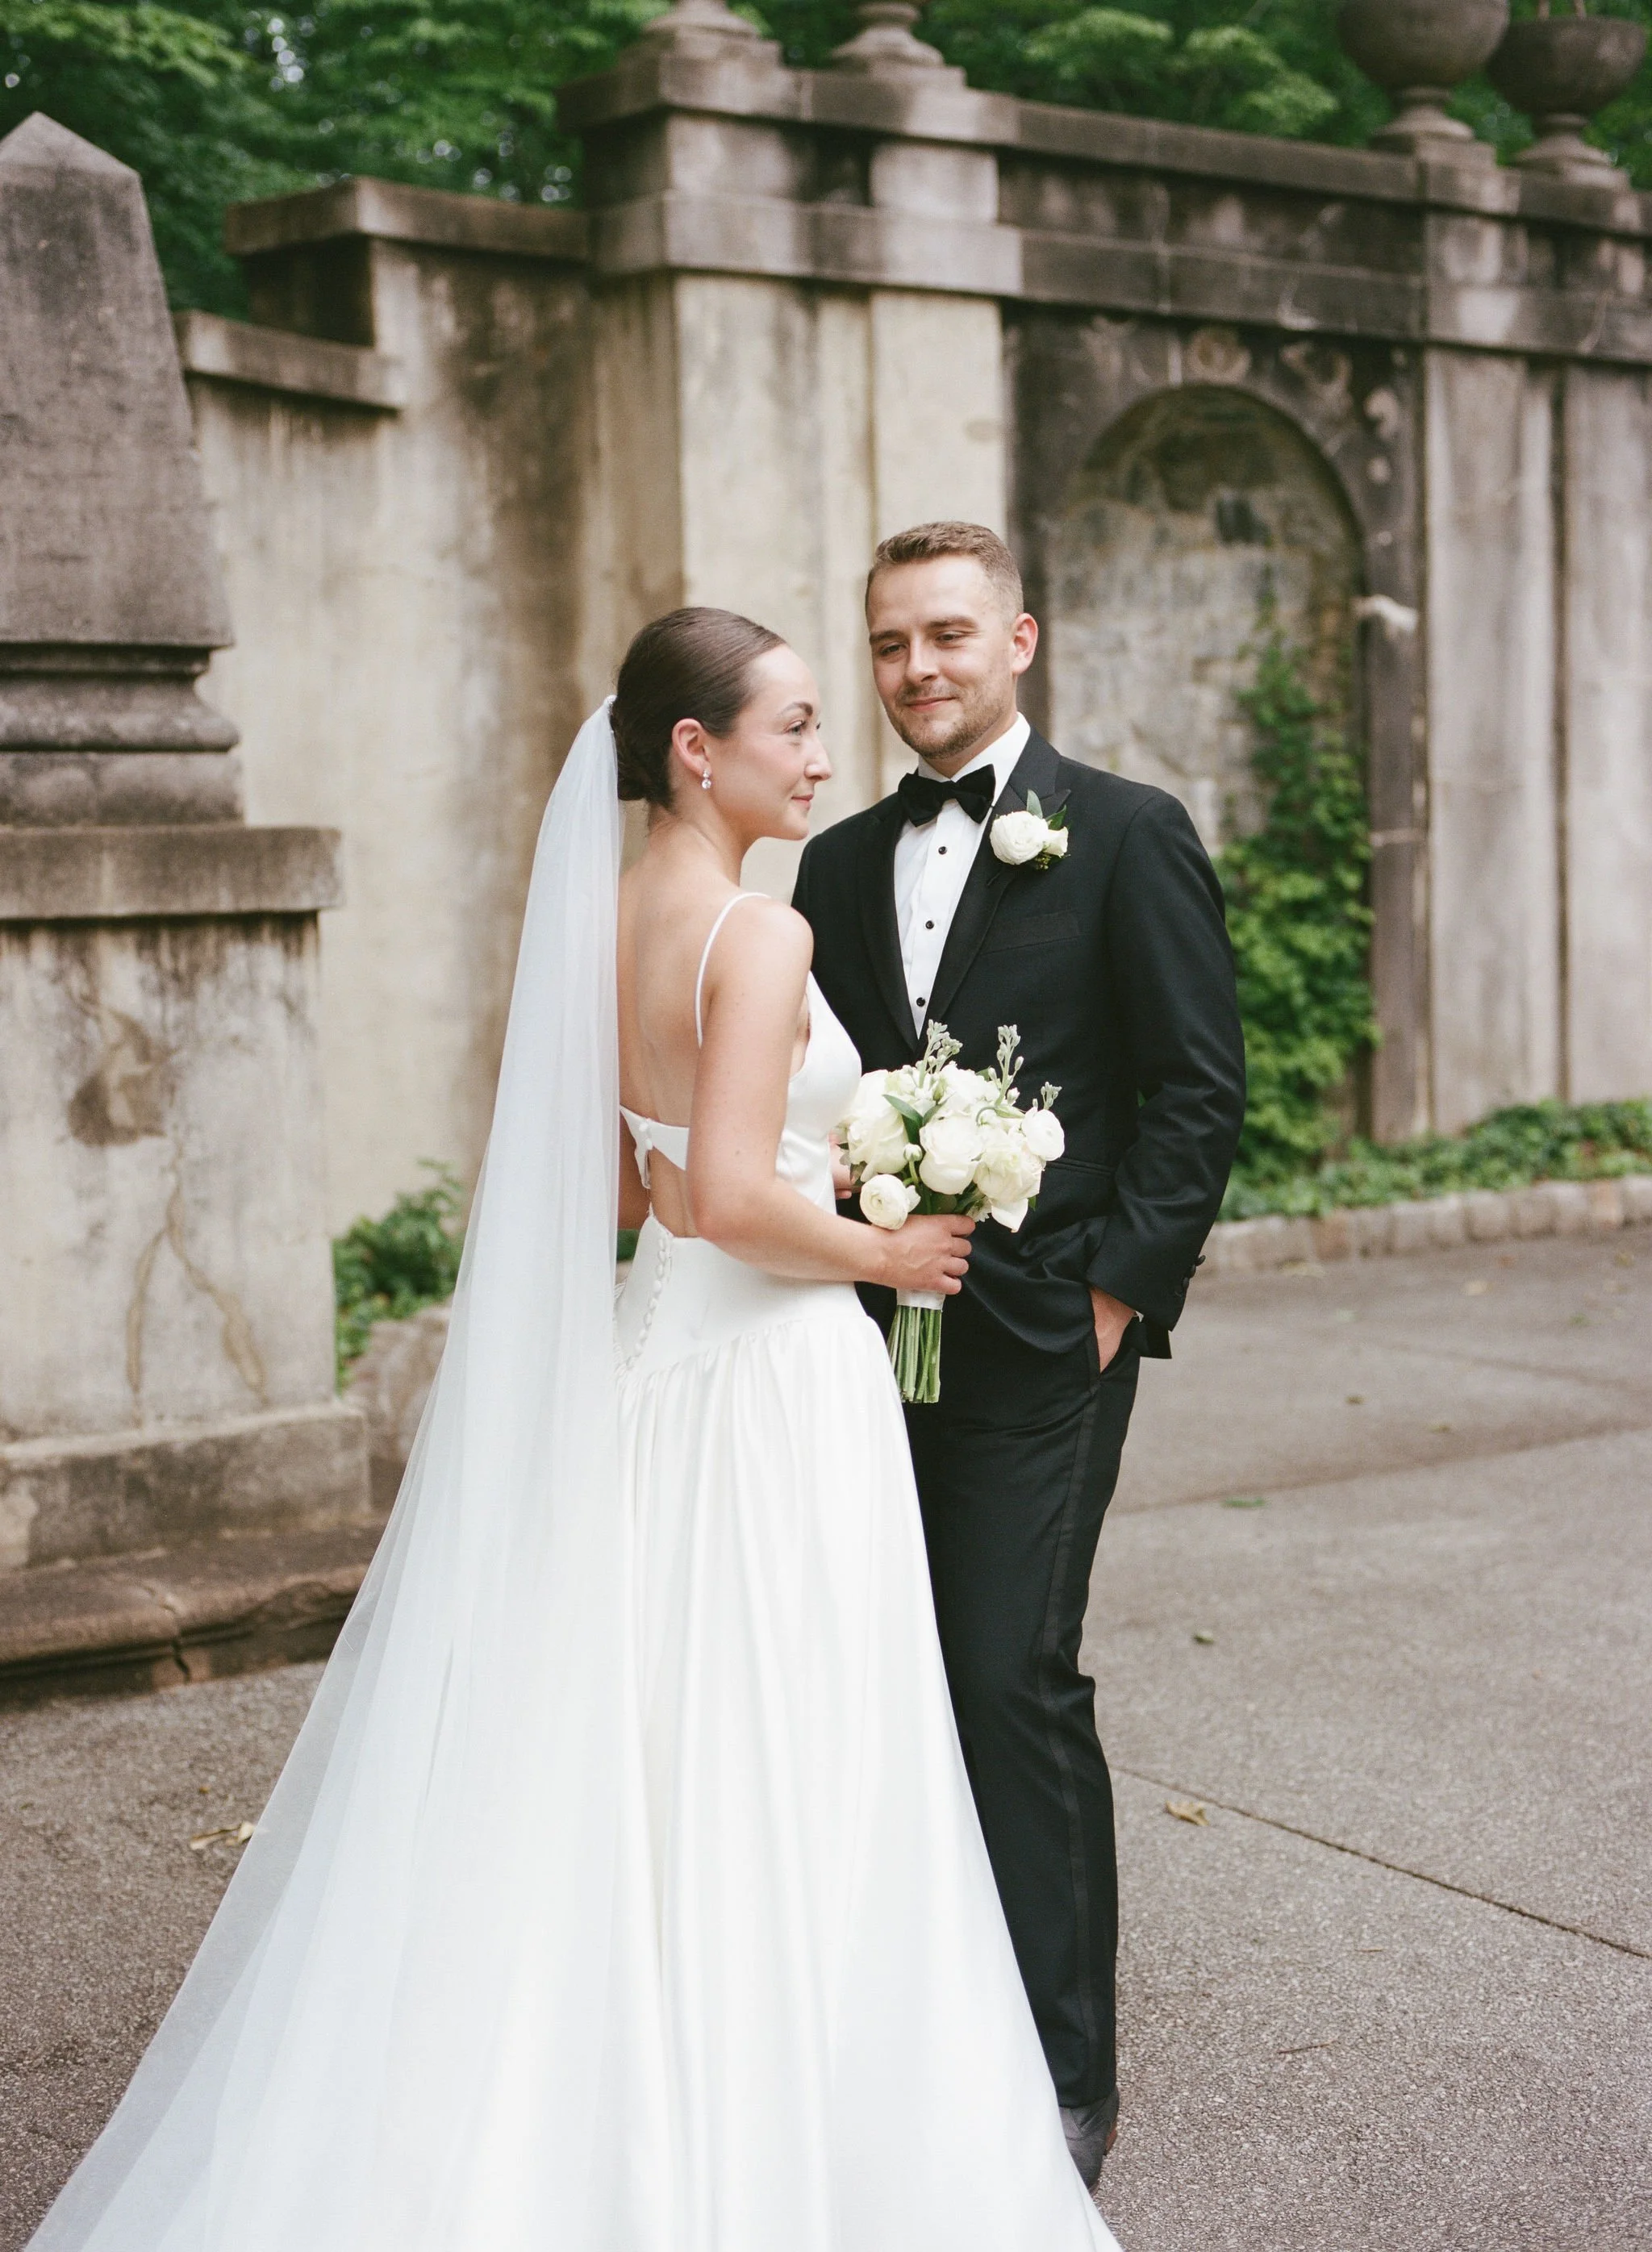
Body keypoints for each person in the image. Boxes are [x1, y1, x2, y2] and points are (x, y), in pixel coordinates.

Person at [23, 607, 1118, 2252]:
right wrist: (887, 1247)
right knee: (795, 1752)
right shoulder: (760, 936)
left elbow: (632, 1184)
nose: (825, 757)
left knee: (645, 1741)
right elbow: (731, 1198)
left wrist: (782, 1171)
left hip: (650, 1369)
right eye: (794, 726)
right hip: (769, 1389)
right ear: (696, 750)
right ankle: (789, 2122)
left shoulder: (606, 925)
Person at [794, 523, 1247, 2189]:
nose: (917, 668)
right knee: (886, 1681)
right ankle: (922, 2021)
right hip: (855, 1343)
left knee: (1009, 1675)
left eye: (948, 634)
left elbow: (1197, 1088)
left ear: (1019, 640)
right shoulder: (834, 864)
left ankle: (1065, 2075)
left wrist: (1114, 1302)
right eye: (890, 643)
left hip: (1050, 1340)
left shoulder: (1125, 832)